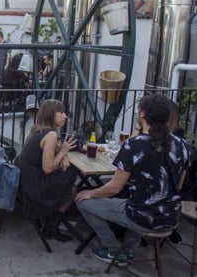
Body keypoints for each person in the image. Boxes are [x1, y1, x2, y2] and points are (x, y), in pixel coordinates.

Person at [75, 93, 189, 267]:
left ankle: (113, 248)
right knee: (136, 202)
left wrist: (90, 192)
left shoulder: (134, 145)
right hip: (171, 217)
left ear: (142, 114)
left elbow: (113, 188)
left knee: (83, 202)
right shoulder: (182, 145)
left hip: (142, 218)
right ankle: (129, 250)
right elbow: (178, 186)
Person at [14, 99, 77, 242]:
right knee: (71, 181)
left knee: (67, 178)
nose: (65, 116)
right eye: (61, 112)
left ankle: (52, 222)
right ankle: (52, 227)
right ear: (51, 114)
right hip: (32, 188)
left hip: (23, 182)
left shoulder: (38, 129)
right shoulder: (51, 135)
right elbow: (48, 168)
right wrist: (64, 151)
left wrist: (61, 153)